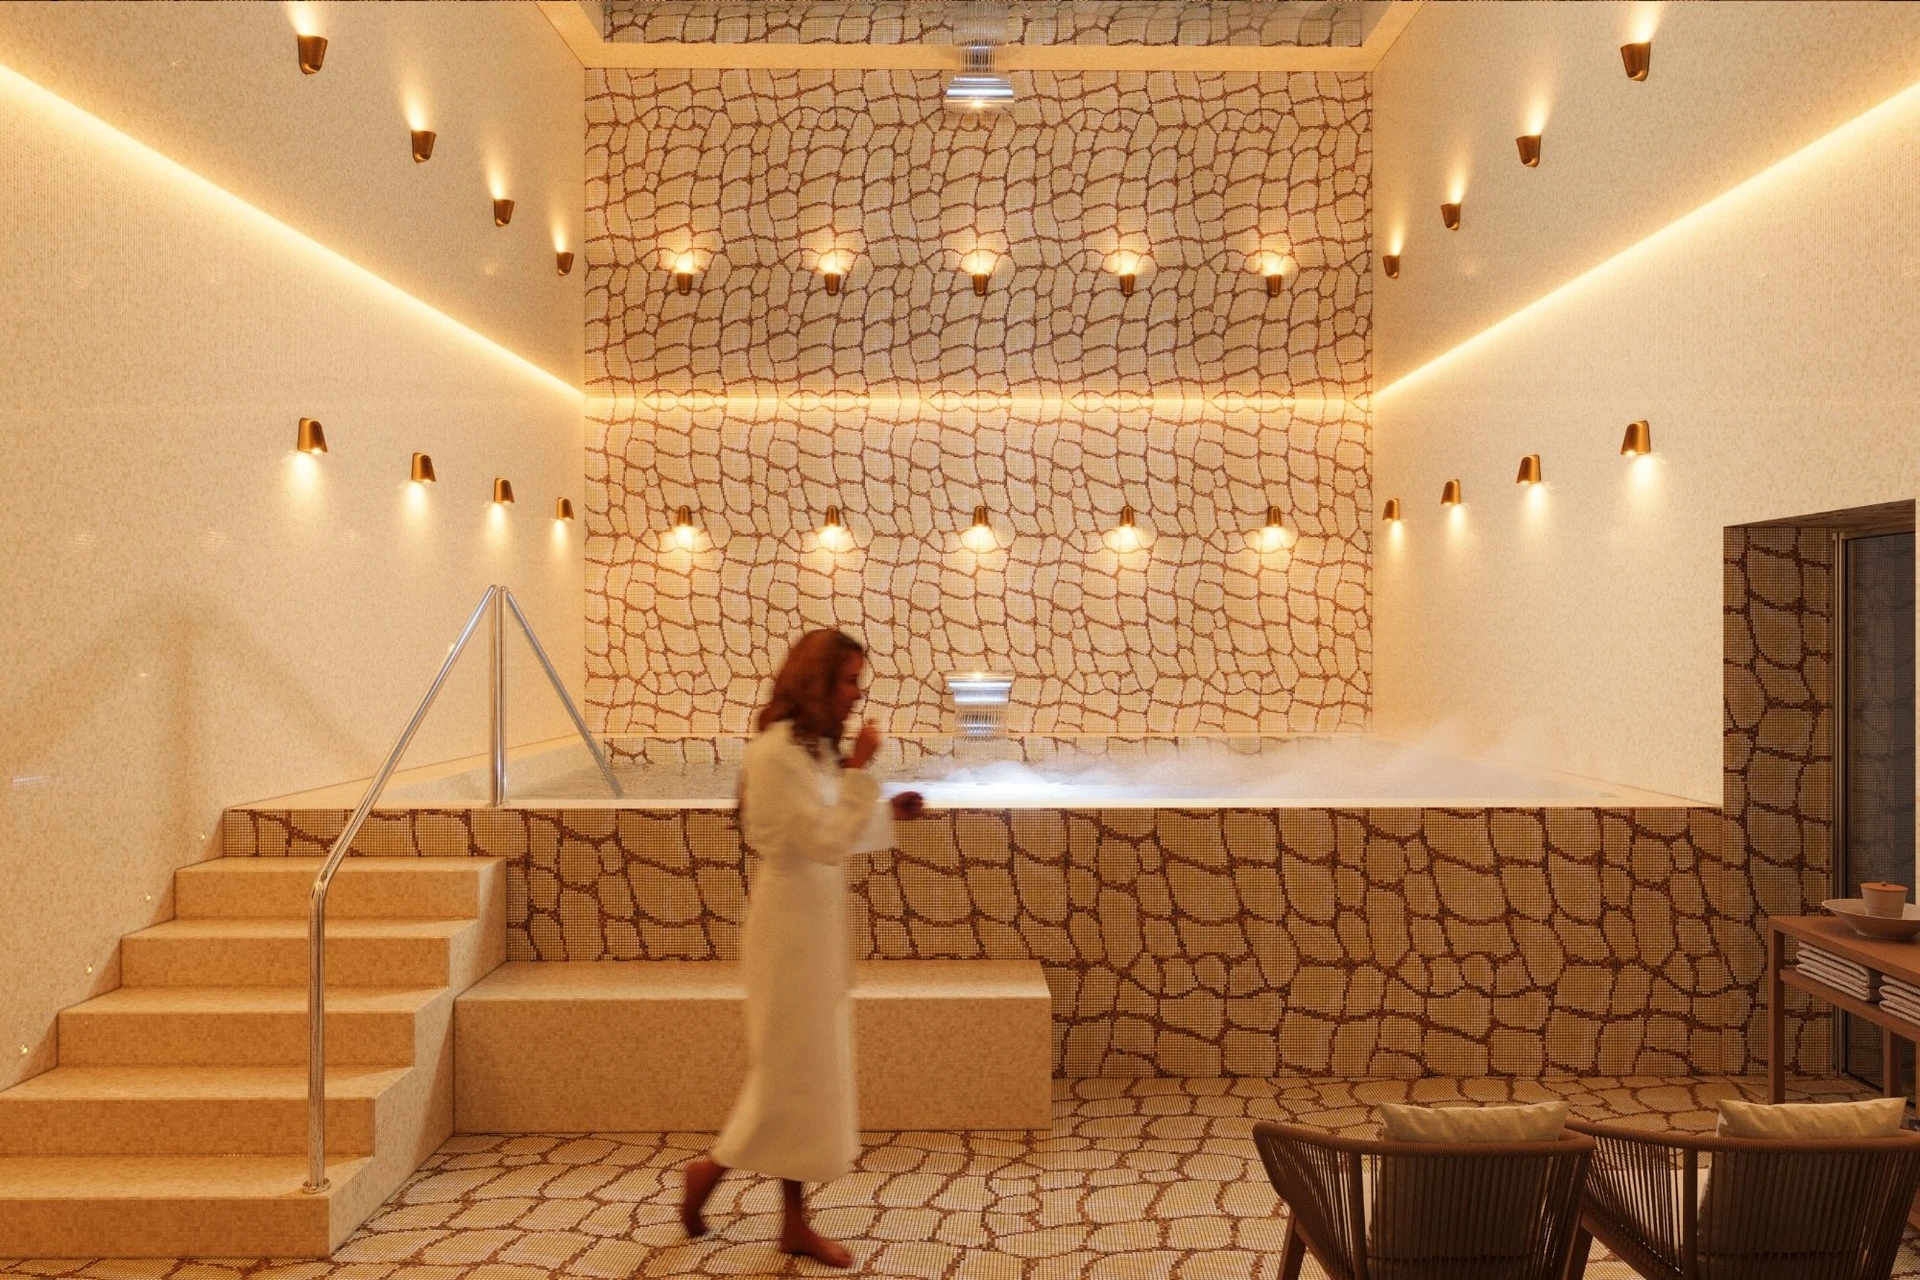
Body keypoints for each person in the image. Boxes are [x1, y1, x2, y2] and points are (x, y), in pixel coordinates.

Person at [679, 629, 924, 1267]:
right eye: (849, 681)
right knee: (786, 1076)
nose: (856, 695)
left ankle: (790, 1221)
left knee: (804, 1078)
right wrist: (860, 771)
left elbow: (831, 827)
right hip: (787, 933)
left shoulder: (809, 753)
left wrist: (886, 810)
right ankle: (710, 1173)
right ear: (816, 682)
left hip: (814, 925)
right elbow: (821, 841)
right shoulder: (773, 756)